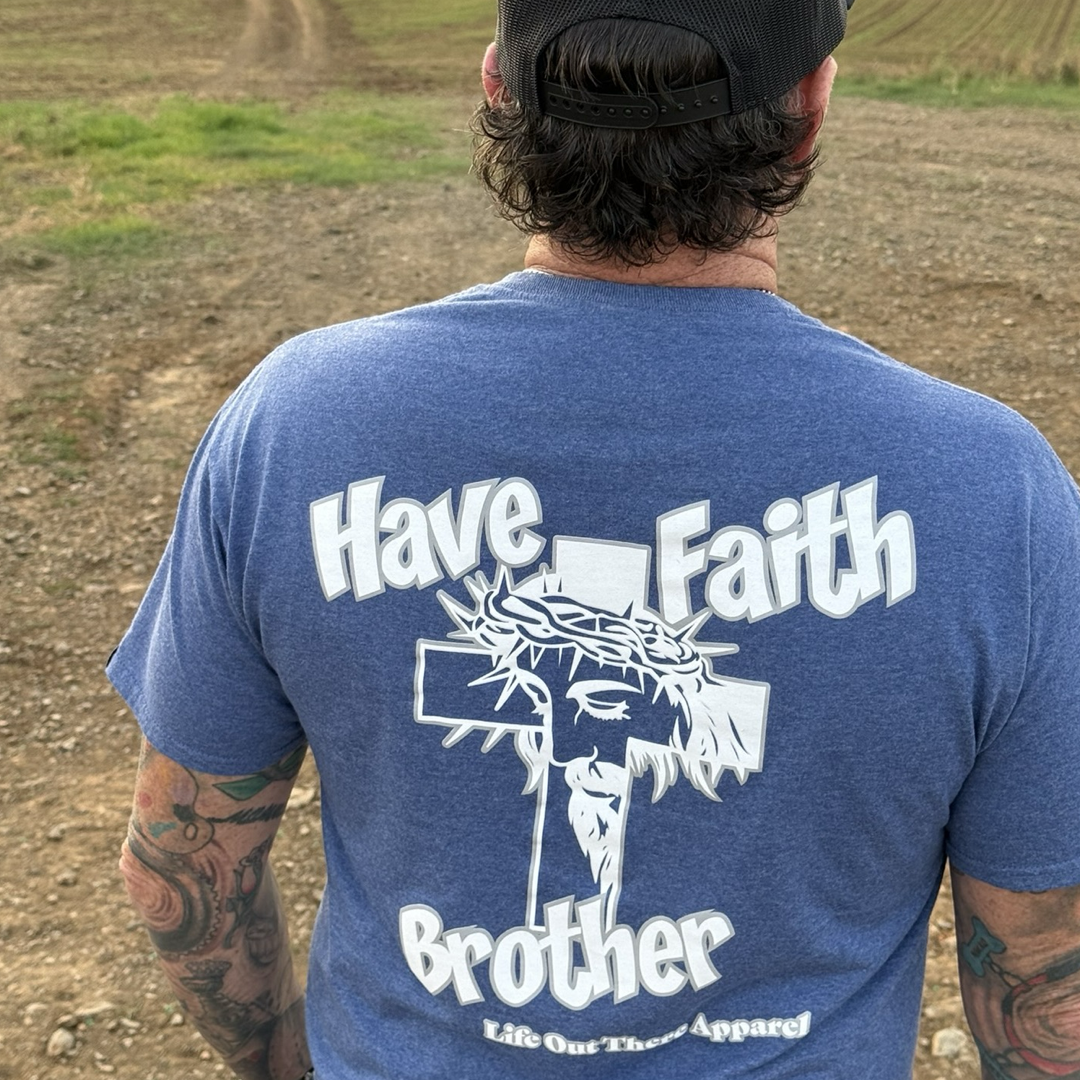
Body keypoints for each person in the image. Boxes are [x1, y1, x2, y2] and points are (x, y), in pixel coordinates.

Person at [109, 0, 1080, 1077]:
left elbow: (180, 867)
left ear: (498, 93)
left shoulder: (296, 424)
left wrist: (285, 1063)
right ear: (809, 111)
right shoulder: (992, 489)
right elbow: (1042, 963)